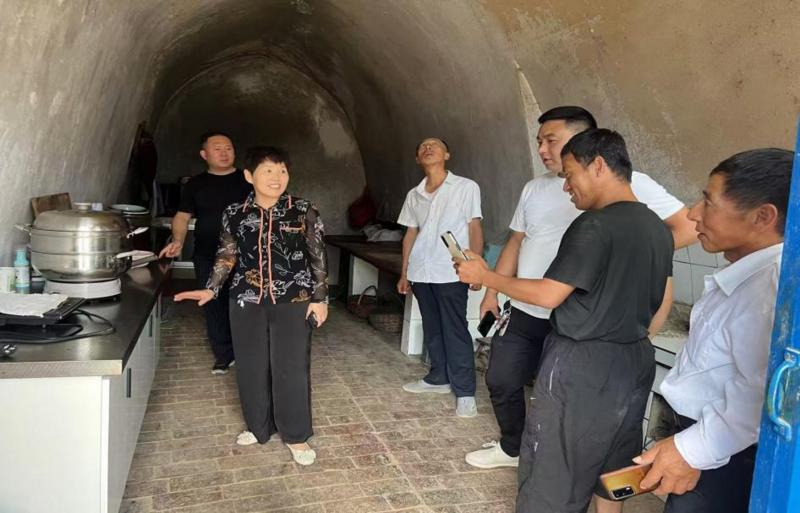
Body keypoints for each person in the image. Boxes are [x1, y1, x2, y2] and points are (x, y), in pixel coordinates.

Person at [467, 106, 696, 474]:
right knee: (501, 378)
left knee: (557, 398)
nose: (542, 149)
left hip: (581, 318)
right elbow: (516, 241)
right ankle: (513, 447)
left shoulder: (633, 184)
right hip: (526, 306)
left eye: (551, 140)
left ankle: (550, 465)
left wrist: (631, 258)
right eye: (538, 141)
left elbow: (687, 227)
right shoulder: (534, 188)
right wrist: (492, 293)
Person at [635, 148, 792, 513]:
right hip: (710, 443)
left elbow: (763, 392)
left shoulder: (772, 288)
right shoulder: (749, 274)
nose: (693, 213)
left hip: (728, 455)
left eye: (708, 202)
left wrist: (692, 450)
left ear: (762, 217)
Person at [175, 146, 328, 466]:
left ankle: (296, 435)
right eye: (268, 170)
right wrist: (211, 289)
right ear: (249, 176)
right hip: (246, 299)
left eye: (282, 170)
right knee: (251, 365)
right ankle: (259, 427)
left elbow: (317, 256)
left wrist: (320, 299)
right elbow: (227, 254)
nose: (277, 177)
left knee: (291, 367)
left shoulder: (303, 209)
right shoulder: (235, 213)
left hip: (294, 299)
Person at [397, 137, 484, 418]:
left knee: (455, 328)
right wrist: (404, 271)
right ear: (417, 159)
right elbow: (411, 233)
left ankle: (465, 392)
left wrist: (476, 266)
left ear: (447, 154)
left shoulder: (466, 187)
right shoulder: (414, 195)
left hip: (451, 270)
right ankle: (438, 378)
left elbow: (474, 227)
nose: (428, 148)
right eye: (422, 146)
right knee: (432, 326)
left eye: (434, 144)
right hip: (421, 270)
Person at [160, 132, 252, 374]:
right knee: (213, 304)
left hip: (245, 255)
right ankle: (223, 355)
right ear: (204, 154)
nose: (224, 153)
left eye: (228, 148)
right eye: (217, 148)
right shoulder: (195, 184)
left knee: (244, 304)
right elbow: (182, 216)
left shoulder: (248, 180)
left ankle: (248, 354)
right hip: (207, 254)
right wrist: (178, 240)